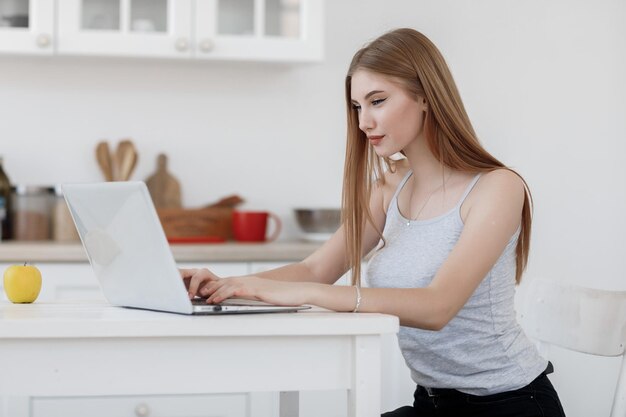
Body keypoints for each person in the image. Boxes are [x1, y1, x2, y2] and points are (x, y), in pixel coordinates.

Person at [180, 28, 566, 417]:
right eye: (357, 107)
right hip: (431, 402)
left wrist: (307, 295)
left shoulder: (497, 187)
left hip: (511, 404)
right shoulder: (388, 189)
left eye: (377, 101)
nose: (364, 121)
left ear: (426, 97)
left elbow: (437, 307)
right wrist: (229, 287)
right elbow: (316, 269)